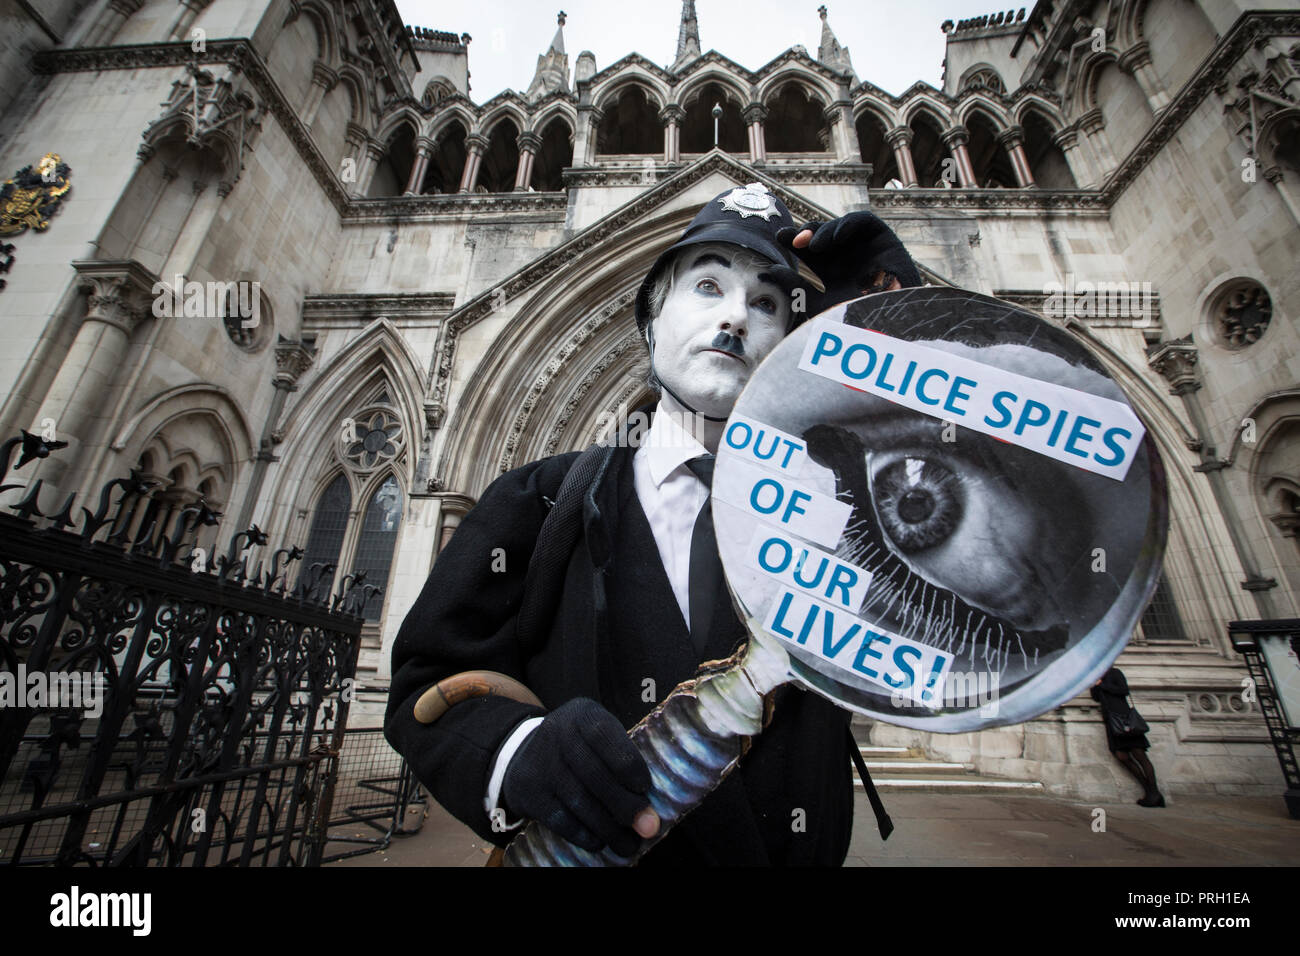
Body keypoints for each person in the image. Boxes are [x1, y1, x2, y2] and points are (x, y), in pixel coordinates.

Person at [384, 182, 922, 865]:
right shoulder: (541, 500)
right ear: (649, 321)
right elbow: (428, 685)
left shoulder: (840, 518)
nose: (735, 319)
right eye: (707, 287)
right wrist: (518, 754)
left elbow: (983, 576)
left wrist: (902, 337)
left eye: (766, 304)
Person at [1091, 666, 1164, 807]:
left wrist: (1103, 684)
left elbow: (1124, 690)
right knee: (1121, 756)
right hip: (1112, 721)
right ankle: (1150, 791)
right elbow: (1095, 698)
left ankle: (1154, 792)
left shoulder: (1115, 672)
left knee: (1140, 755)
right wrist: (1095, 685)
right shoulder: (1096, 677)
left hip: (1124, 718)